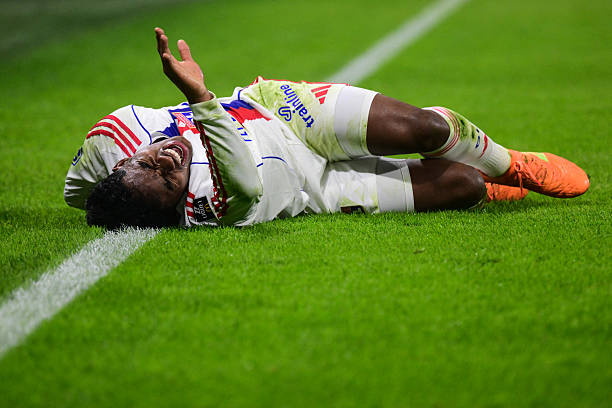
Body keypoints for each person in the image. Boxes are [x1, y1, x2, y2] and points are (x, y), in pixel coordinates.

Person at [65, 28, 589, 229]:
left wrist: (107, 197)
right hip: (317, 190)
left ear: (124, 160)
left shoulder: (116, 139)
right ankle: (490, 181)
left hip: (280, 112)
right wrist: (201, 99)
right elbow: (242, 177)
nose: (165, 160)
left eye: (146, 162)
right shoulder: (214, 207)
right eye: (167, 181)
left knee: (429, 128)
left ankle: (514, 165)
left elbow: (74, 192)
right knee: (464, 185)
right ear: (177, 206)